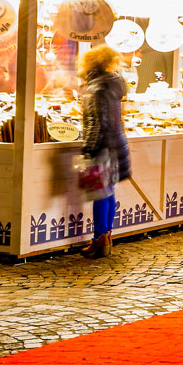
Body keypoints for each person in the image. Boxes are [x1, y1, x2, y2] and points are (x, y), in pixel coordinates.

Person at [77, 45, 131, 259]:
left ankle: (99, 239)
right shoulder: (112, 85)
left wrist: (89, 150)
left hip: (101, 147)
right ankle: (105, 238)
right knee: (108, 192)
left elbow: (99, 123)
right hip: (114, 145)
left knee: (100, 194)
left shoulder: (97, 89)